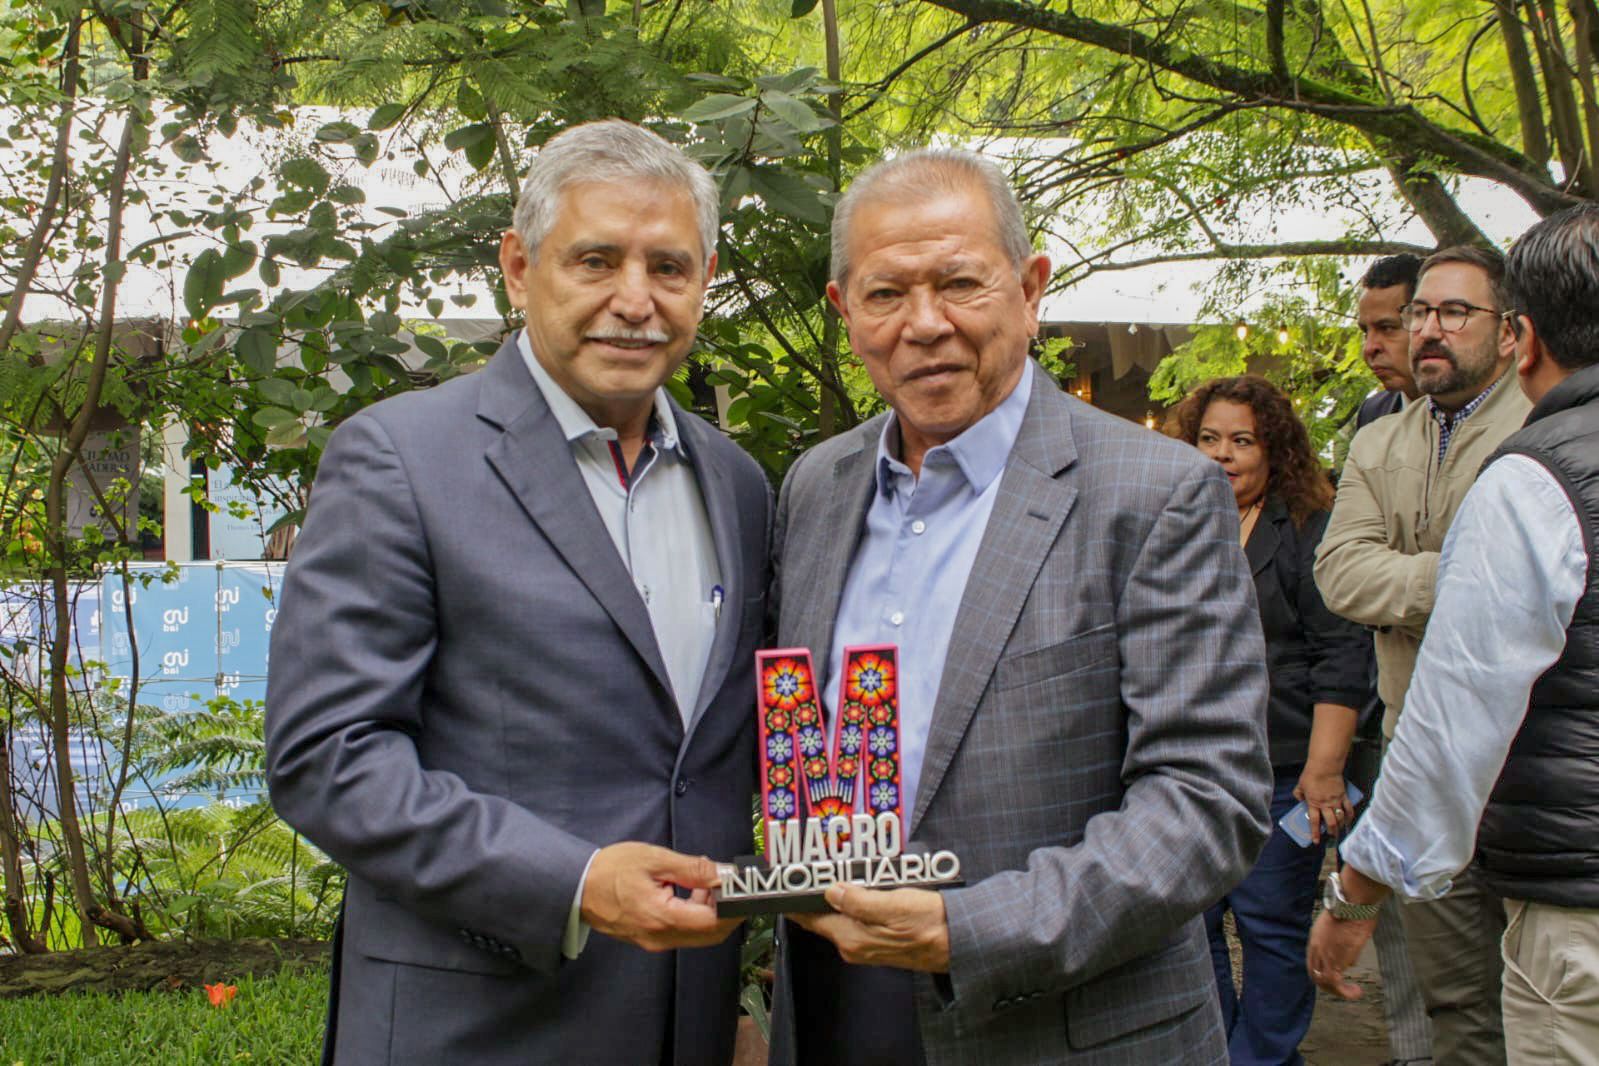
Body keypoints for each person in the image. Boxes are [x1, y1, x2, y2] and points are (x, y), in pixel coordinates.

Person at [264, 119, 772, 1065]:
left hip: (688, 1024)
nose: (634, 300)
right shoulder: (401, 459)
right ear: (517, 265)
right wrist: (574, 881)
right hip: (473, 1029)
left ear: (704, 279)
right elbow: (327, 758)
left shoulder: (738, 485)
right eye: (595, 261)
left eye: (667, 267)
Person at [766, 148, 1273, 1065]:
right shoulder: (816, 485)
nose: (925, 324)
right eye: (886, 295)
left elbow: (1206, 801)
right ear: (844, 312)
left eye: (959, 283)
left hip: (1060, 1026)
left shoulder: (1155, 493)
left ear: (1030, 289)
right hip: (837, 1004)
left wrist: (969, 930)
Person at [1309, 202, 1599, 1064]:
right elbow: (1339, 573)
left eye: (1454, 312)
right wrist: (1467, 578)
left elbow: (1460, 707)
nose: (1427, 330)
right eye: (1419, 313)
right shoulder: (1377, 438)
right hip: (1496, 808)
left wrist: (1354, 892)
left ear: (1518, 335)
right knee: (1457, 1011)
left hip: (1554, 846)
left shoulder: (1537, 458)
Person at [1172, 376, 1369, 1065]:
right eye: (1208, 438)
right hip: (1187, 767)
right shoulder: (1171, 519)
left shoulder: (1308, 526)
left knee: (1270, 928)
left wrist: (1325, 771)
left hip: (1282, 769)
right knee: (1187, 930)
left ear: (1273, 449)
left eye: (1241, 441)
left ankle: (1263, 1059)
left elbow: (1341, 653)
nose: (1222, 455)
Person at [1349, 251, 1437, 1066]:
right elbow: (1343, 568)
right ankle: (1414, 1053)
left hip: (1473, 704)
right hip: (1381, 698)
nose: (1373, 346)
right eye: (1365, 329)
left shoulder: (1515, 418)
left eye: (1388, 326)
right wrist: (1444, 577)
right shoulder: (1373, 418)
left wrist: (1392, 578)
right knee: (1397, 892)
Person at [1355, 254, 1423, 429]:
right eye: (1365, 332)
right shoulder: (1372, 413)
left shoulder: (1480, 409)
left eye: (1387, 328)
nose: (1369, 349)